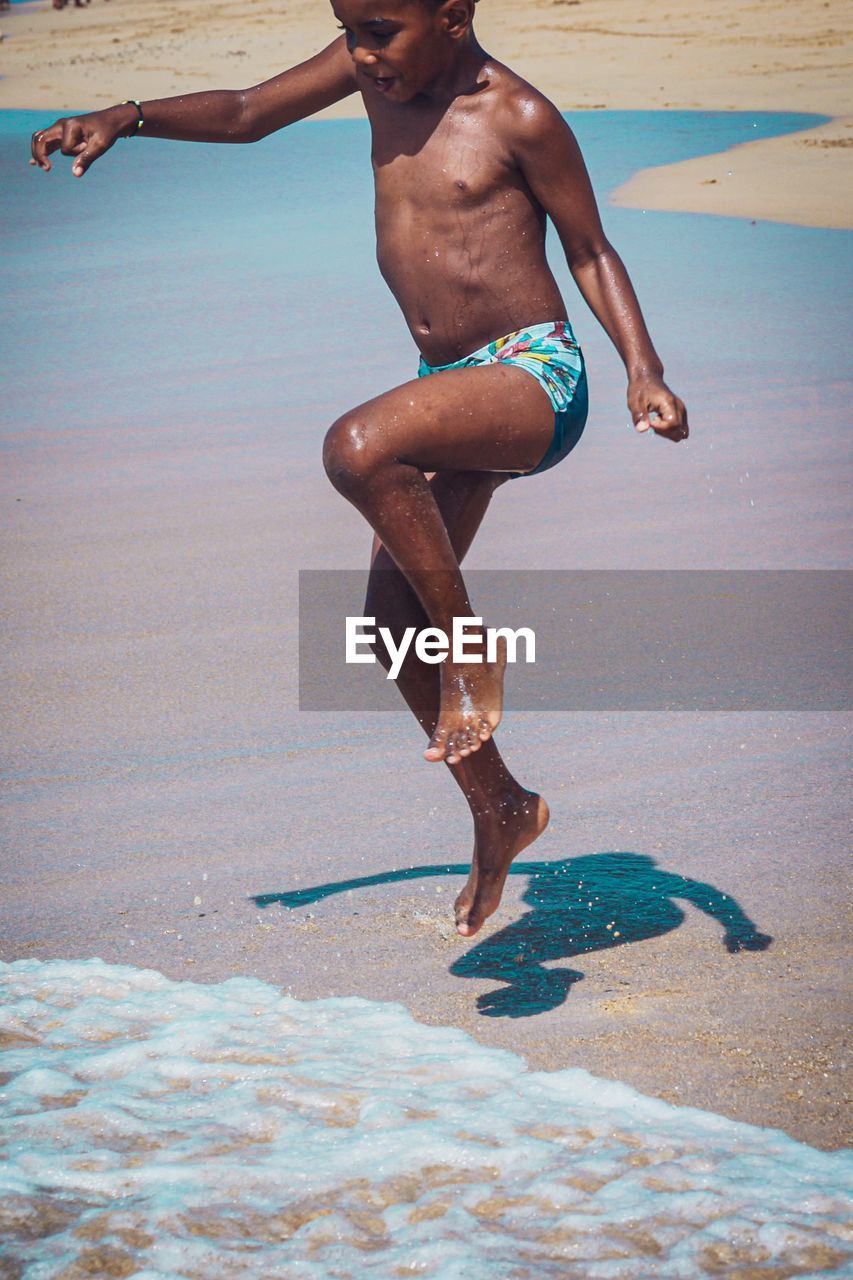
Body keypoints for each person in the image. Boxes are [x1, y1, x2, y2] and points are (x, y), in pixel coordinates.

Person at [30, 0, 688, 938]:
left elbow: (588, 249)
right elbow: (248, 112)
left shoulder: (519, 117)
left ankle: (469, 654)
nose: (364, 50)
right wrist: (126, 118)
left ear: (453, 16)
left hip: (533, 378)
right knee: (385, 628)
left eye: (381, 28)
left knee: (356, 446)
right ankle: (501, 806)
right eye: (351, 26)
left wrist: (643, 371)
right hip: (448, 383)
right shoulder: (373, 73)